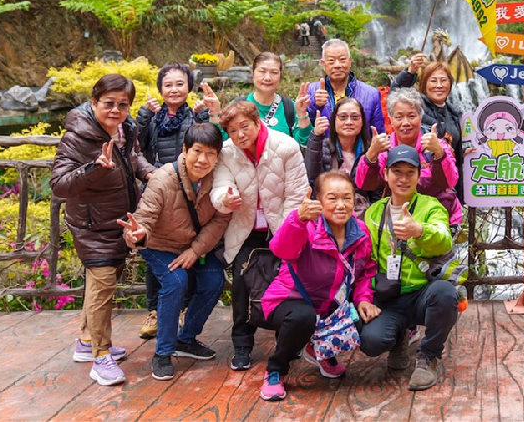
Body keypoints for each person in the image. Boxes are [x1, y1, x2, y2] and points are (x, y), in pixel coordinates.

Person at [50, 73, 155, 386]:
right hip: (91, 224)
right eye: (108, 103)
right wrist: (94, 168)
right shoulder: (77, 138)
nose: (115, 110)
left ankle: (85, 342)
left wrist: (149, 173)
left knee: (101, 283)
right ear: (94, 102)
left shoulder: (126, 128)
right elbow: (58, 185)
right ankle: (101, 356)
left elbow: (133, 158)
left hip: (118, 221)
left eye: (123, 104)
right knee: (103, 284)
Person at [118, 123, 230, 381]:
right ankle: (163, 352)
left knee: (214, 281)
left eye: (211, 154)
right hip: (160, 244)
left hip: (195, 245)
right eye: (197, 151)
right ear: (185, 150)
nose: (203, 160)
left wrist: (195, 250)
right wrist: (138, 234)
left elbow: (220, 220)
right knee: (176, 282)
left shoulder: (220, 180)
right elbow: (144, 217)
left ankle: (186, 338)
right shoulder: (163, 178)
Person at [258, 172, 378, 401]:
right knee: (303, 317)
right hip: (288, 300)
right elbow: (281, 250)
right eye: (332, 198)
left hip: (328, 305)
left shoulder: (361, 232)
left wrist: (364, 299)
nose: (341, 205)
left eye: (347, 198)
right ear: (319, 201)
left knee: (361, 318)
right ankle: (276, 369)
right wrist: (298, 220)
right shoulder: (307, 225)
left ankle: (319, 348)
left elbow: (365, 271)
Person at [211, 99, 310, 372]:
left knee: (286, 284)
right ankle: (242, 345)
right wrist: (225, 199)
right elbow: (220, 185)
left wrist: (286, 235)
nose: (240, 134)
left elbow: (296, 194)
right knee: (242, 283)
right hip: (246, 230)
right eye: (233, 130)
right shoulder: (227, 153)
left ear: (257, 122)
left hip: (283, 228)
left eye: (245, 126)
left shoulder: (285, 146)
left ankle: (286, 343)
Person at [359, 145, 459, 392]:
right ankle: (397, 340)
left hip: (422, 293)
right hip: (389, 297)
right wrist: (364, 298)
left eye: (409, 173)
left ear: (418, 175)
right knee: (371, 342)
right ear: (385, 174)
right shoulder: (374, 212)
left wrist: (419, 231)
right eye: (397, 172)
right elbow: (365, 262)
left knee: (446, 294)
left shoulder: (430, 206)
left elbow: (444, 239)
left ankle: (428, 356)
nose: (403, 179)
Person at [134, 63, 221, 340]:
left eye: (180, 84)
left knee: (185, 247)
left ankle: (181, 308)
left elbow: (207, 141)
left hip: (190, 188)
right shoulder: (152, 116)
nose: (174, 89)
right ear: (160, 88)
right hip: (159, 186)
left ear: (188, 86)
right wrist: (150, 173)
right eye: (168, 84)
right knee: (156, 248)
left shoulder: (194, 116)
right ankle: (155, 311)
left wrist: (207, 114)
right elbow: (136, 147)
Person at [355, 87, 462, 227]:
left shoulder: (435, 144)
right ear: (391, 120)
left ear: (420, 117)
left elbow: (449, 182)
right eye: (399, 117)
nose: (405, 122)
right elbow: (364, 184)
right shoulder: (384, 148)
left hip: (438, 218)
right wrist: (371, 154)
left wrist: (439, 153)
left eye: (411, 116)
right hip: (396, 219)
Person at [391, 56, 466, 201]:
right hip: (420, 184)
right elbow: (396, 93)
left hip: (448, 186)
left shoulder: (455, 114)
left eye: (444, 80)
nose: (439, 85)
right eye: (433, 80)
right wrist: (410, 72)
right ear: (424, 84)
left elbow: (455, 150)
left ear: (450, 85)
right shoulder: (417, 107)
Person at [305, 96, 373, 216]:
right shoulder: (322, 145)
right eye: (343, 117)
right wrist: (316, 136)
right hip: (326, 211)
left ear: (362, 122)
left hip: (360, 214)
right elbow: (311, 174)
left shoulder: (370, 149)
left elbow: (375, 191)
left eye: (355, 117)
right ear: (334, 121)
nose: (349, 122)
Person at [305, 39, 386, 136]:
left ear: (350, 61)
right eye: (331, 61)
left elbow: (379, 135)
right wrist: (315, 105)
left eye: (342, 60)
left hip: (361, 150)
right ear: (323, 64)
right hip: (324, 150)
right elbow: (305, 133)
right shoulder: (312, 91)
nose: (337, 65)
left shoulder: (371, 94)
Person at [242, 52, 312, 145]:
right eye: (262, 71)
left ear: (280, 75)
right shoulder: (238, 106)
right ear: (252, 73)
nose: (267, 78)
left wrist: (302, 114)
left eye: (274, 72)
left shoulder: (290, 107)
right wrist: (215, 114)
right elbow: (223, 142)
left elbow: (305, 143)